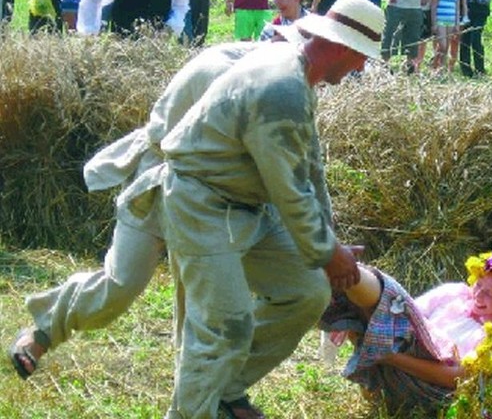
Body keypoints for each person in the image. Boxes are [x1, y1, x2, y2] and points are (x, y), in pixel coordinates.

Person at [114, 0, 381, 419]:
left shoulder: (298, 75)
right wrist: (329, 254)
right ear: (343, 47)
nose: (362, 67)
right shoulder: (282, 88)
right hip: (200, 202)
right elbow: (290, 192)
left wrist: (329, 245)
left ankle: (225, 391)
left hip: (242, 207)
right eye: (362, 56)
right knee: (225, 326)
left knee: (306, 291)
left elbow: (310, 169)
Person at [7, 27, 307, 388]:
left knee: (204, 302)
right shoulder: (216, 68)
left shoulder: (286, 89)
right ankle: (42, 333)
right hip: (162, 179)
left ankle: (213, 394)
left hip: (222, 203)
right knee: (120, 284)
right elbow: (167, 135)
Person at [319, 249, 492, 414]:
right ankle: (339, 272)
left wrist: (391, 357)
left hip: (424, 384)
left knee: (387, 296)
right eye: (478, 285)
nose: (478, 295)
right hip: (401, 345)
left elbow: (457, 379)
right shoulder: (454, 293)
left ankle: (347, 270)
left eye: (490, 295)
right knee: (381, 304)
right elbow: (409, 312)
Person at [431, 0, 460, 72]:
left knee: (446, 46)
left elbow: (457, 9)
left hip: (451, 21)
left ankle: (441, 68)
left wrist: (457, 24)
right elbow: (434, 6)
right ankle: (435, 64)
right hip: (440, 20)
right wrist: (434, 23)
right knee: (442, 45)